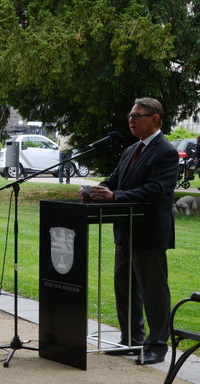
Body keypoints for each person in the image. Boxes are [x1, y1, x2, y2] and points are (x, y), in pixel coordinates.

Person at [82, 97, 178, 365]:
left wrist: (115, 196)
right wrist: (94, 190)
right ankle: (131, 339)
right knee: (124, 287)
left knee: (153, 290)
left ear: (155, 119)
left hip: (149, 233)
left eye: (138, 116)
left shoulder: (166, 152)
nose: (131, 120)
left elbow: (156, 190)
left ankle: (157, 346)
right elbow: (114, 181)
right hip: (125, 230)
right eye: (130, 115)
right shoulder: (130, 150)